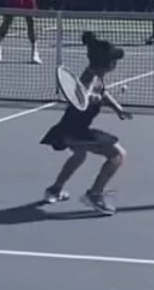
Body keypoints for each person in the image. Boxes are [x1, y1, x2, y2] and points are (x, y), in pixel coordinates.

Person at [41, 33, 131, 216]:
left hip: (72, 128)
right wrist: (91, 97)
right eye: (114, 60)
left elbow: (102, 94)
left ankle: (54, 189)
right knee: (117, 154)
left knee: (79, 156)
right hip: (74, 130)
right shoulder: (87, 78)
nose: (116, 63)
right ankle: (95, 194)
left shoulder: (98, 76)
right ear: (105, 63)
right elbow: (84, 94)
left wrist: (117, 108)